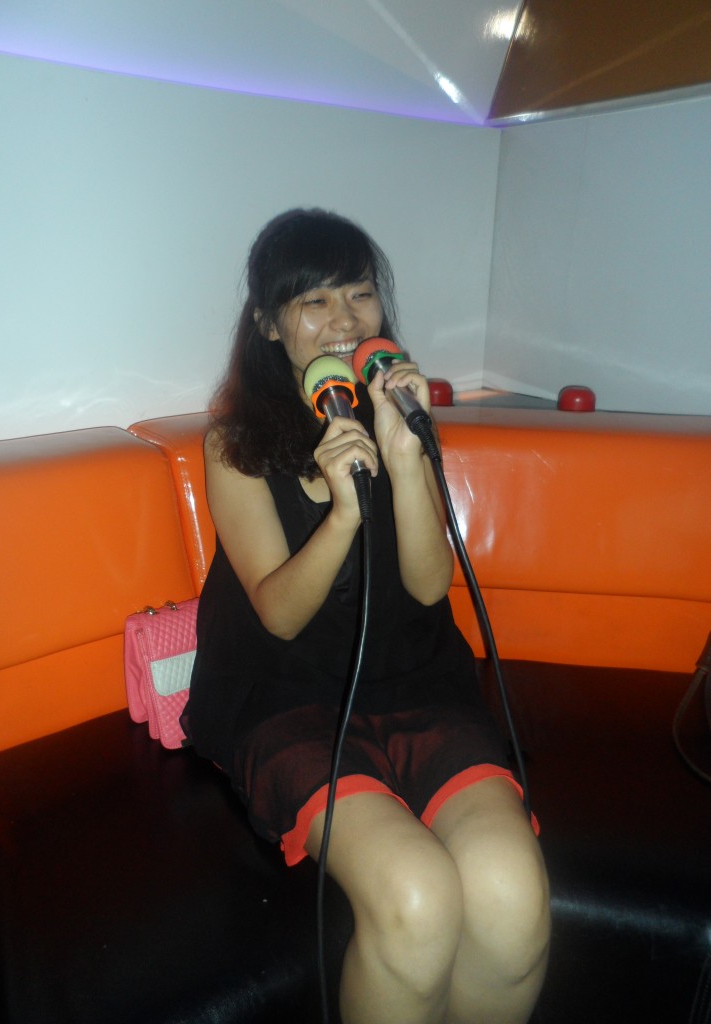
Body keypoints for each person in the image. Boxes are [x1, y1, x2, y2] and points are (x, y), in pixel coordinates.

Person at [183, 208, 550, 1024]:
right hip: (288, 701)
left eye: (358, 293)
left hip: (417, 685)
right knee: (416, 897)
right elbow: (278, 615)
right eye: (313, 301)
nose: (344, 319)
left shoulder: (401, 411)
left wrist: (406, 452)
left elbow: (428, 584)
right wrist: (344, 514)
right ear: (267, 324)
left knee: (513, 893)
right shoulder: (235, 442)